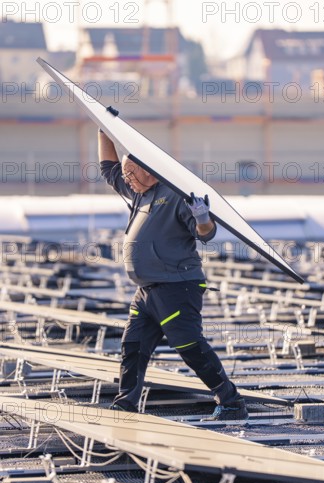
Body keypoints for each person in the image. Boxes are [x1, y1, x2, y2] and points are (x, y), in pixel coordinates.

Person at [98, 128, 248, 421]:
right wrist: (104, 129)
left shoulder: (176, 194)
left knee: (190, 346)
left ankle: (231, 402)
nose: (125, 179)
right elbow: (108, 169)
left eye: (131, 173)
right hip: (147, 291)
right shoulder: (139, 192)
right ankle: (126, 404)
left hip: (176, 288)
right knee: (133, 346)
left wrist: (202, 217)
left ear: (149, 170)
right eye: (126, 176)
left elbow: (205, 234)